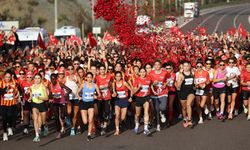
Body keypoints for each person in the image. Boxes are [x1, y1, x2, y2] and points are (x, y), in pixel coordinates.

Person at [77, 72, 101, 141]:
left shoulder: (95, 85)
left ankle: (89, 134)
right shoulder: (83, 85)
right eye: (88, 77)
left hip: (91, 103)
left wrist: (96, 96)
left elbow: (99, 95)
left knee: (90, 120)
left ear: (92, 78)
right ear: (86, 78)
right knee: (85, 121)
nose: (89, 78)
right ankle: (89, 120)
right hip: (83, 103)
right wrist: (79, 97)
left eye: (91, 77)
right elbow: (77, 92)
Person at [49, 73, 72, 138]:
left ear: (56, 79)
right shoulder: (50, 85)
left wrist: (66, 94)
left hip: (62, 101)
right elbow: (50, 95)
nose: (52, 80)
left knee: (63, 115)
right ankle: (59, 132)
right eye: (51, 79)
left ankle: (64, 122)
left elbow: (70, 90)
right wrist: (52, 96)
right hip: (55, 102)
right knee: (56, 117)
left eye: (54, 79)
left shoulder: (60, 84)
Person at [149, 60, 169, 131]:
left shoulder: (165, 72)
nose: (157, 66)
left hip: (163, 92)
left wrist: (165, 84)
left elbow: (168, 80)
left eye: (158, 64)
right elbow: (148, 83)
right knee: (156, 109)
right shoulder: (151, 73)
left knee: (163, 107)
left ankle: (162, 112)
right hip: (154, 93)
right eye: (155, 65)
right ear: (154, 66)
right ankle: (158, 125)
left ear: (160, 65)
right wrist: (153, 84)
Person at [29, 73, 49, 142]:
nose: (37, 80)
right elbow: (31, 95)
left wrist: (39, 97)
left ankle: (45, 126)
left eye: (38, 78)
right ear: (33, 79)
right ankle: (37, 135)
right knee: (35, 119)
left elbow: (46, 98)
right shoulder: (32, 87)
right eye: (35, 78)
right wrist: (30, 98)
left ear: (40, 79)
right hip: (34, 104)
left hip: (42, 104)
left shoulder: (43, 86)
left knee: (43, 121)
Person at [0, 70, 19, 141]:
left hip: (11, 103)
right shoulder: (1, 82)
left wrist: (17, 95)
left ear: (11, 77)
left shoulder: (14, 82)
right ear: (4, 77)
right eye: (6, 77)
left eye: (9, 77)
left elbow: (17, 91)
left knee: (10, 116)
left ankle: (10, 127)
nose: (7, 78)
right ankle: (5, 133)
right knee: (4, 118)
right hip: (3, 103)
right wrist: (5, 89)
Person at [112, 71, 132, 136]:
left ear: (121, 77)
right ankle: (117, 130)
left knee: (123, 117)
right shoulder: (113, 83)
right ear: (115, 77)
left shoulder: (124, 83)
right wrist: (114, 94)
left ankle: (120, 122)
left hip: (124, 100)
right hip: (117, 100)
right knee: (117, 115)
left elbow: (131, 89)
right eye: (117, 76)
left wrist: (131, 97)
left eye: (119, 76)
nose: (118, 77)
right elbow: (113, 92)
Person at [132, 67, 151, 135]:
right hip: (138, 98)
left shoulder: (149, 79)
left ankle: (146, 128)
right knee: (137, 114)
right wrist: (138, 87)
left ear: (146, 72)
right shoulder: (136, 80)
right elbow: (133, 92)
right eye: (141, 72)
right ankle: (137, 124)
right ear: (139, 73)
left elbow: (151, 85)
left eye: (144, 72)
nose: (143, 73)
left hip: (146, 97)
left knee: (146, 112)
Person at [176, 61, 195, 128]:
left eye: (187, 66)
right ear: (182, 67)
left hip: (191, 92)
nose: (186, 67)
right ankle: (185, 118)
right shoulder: (180, 75)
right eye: (185, 66)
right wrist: (181, 80)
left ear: (190, 66)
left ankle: (189, 120)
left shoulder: (192, 73)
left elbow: (195, 82)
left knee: (188, 104)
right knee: (184, 108)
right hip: (183, 92)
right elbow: (178, 86)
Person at [95, 65, 112, 135]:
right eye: (101, 69)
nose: (102, 71)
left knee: (107, 111)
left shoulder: (109, 76)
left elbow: (111, 85)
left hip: (107, 97)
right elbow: (95, 87)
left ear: (105, 70)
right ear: (99, 70)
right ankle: (102, 122)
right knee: (100, 112)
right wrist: (99, 90)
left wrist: (111, 91)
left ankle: (104, 125)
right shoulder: (97, 77)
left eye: (103, 69)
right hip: (100, 97)